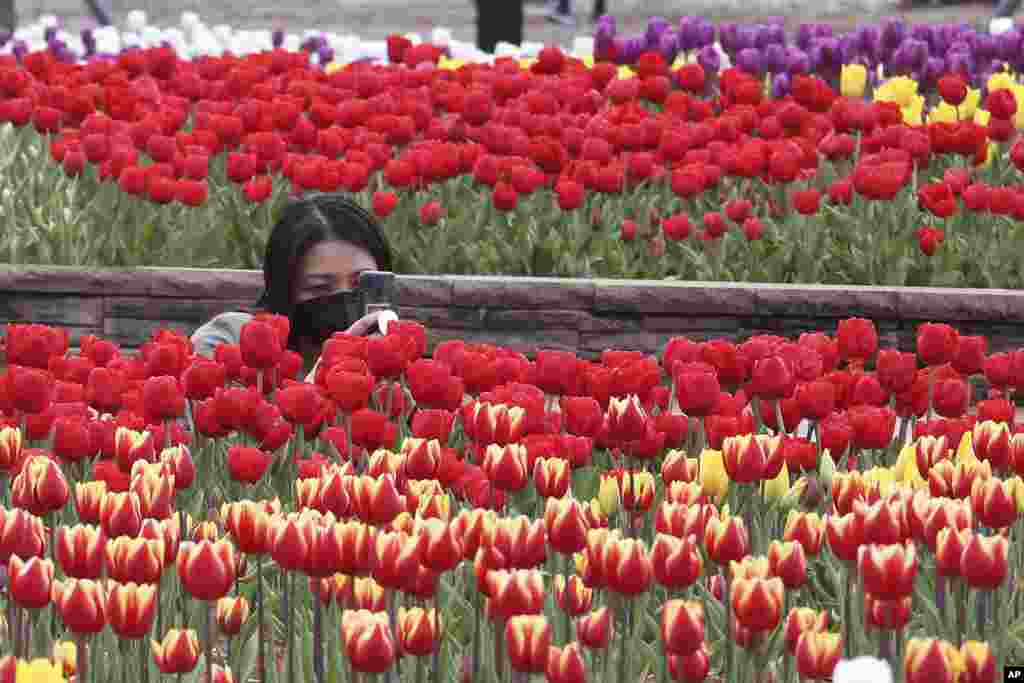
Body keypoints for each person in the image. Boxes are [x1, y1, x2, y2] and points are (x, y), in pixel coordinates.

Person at [190, 193, 394, 379]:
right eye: (320, 287)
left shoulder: (394, 358)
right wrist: (324, 381)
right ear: (285, 289)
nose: (344, 299)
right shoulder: (229, 339)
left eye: (361, 283)